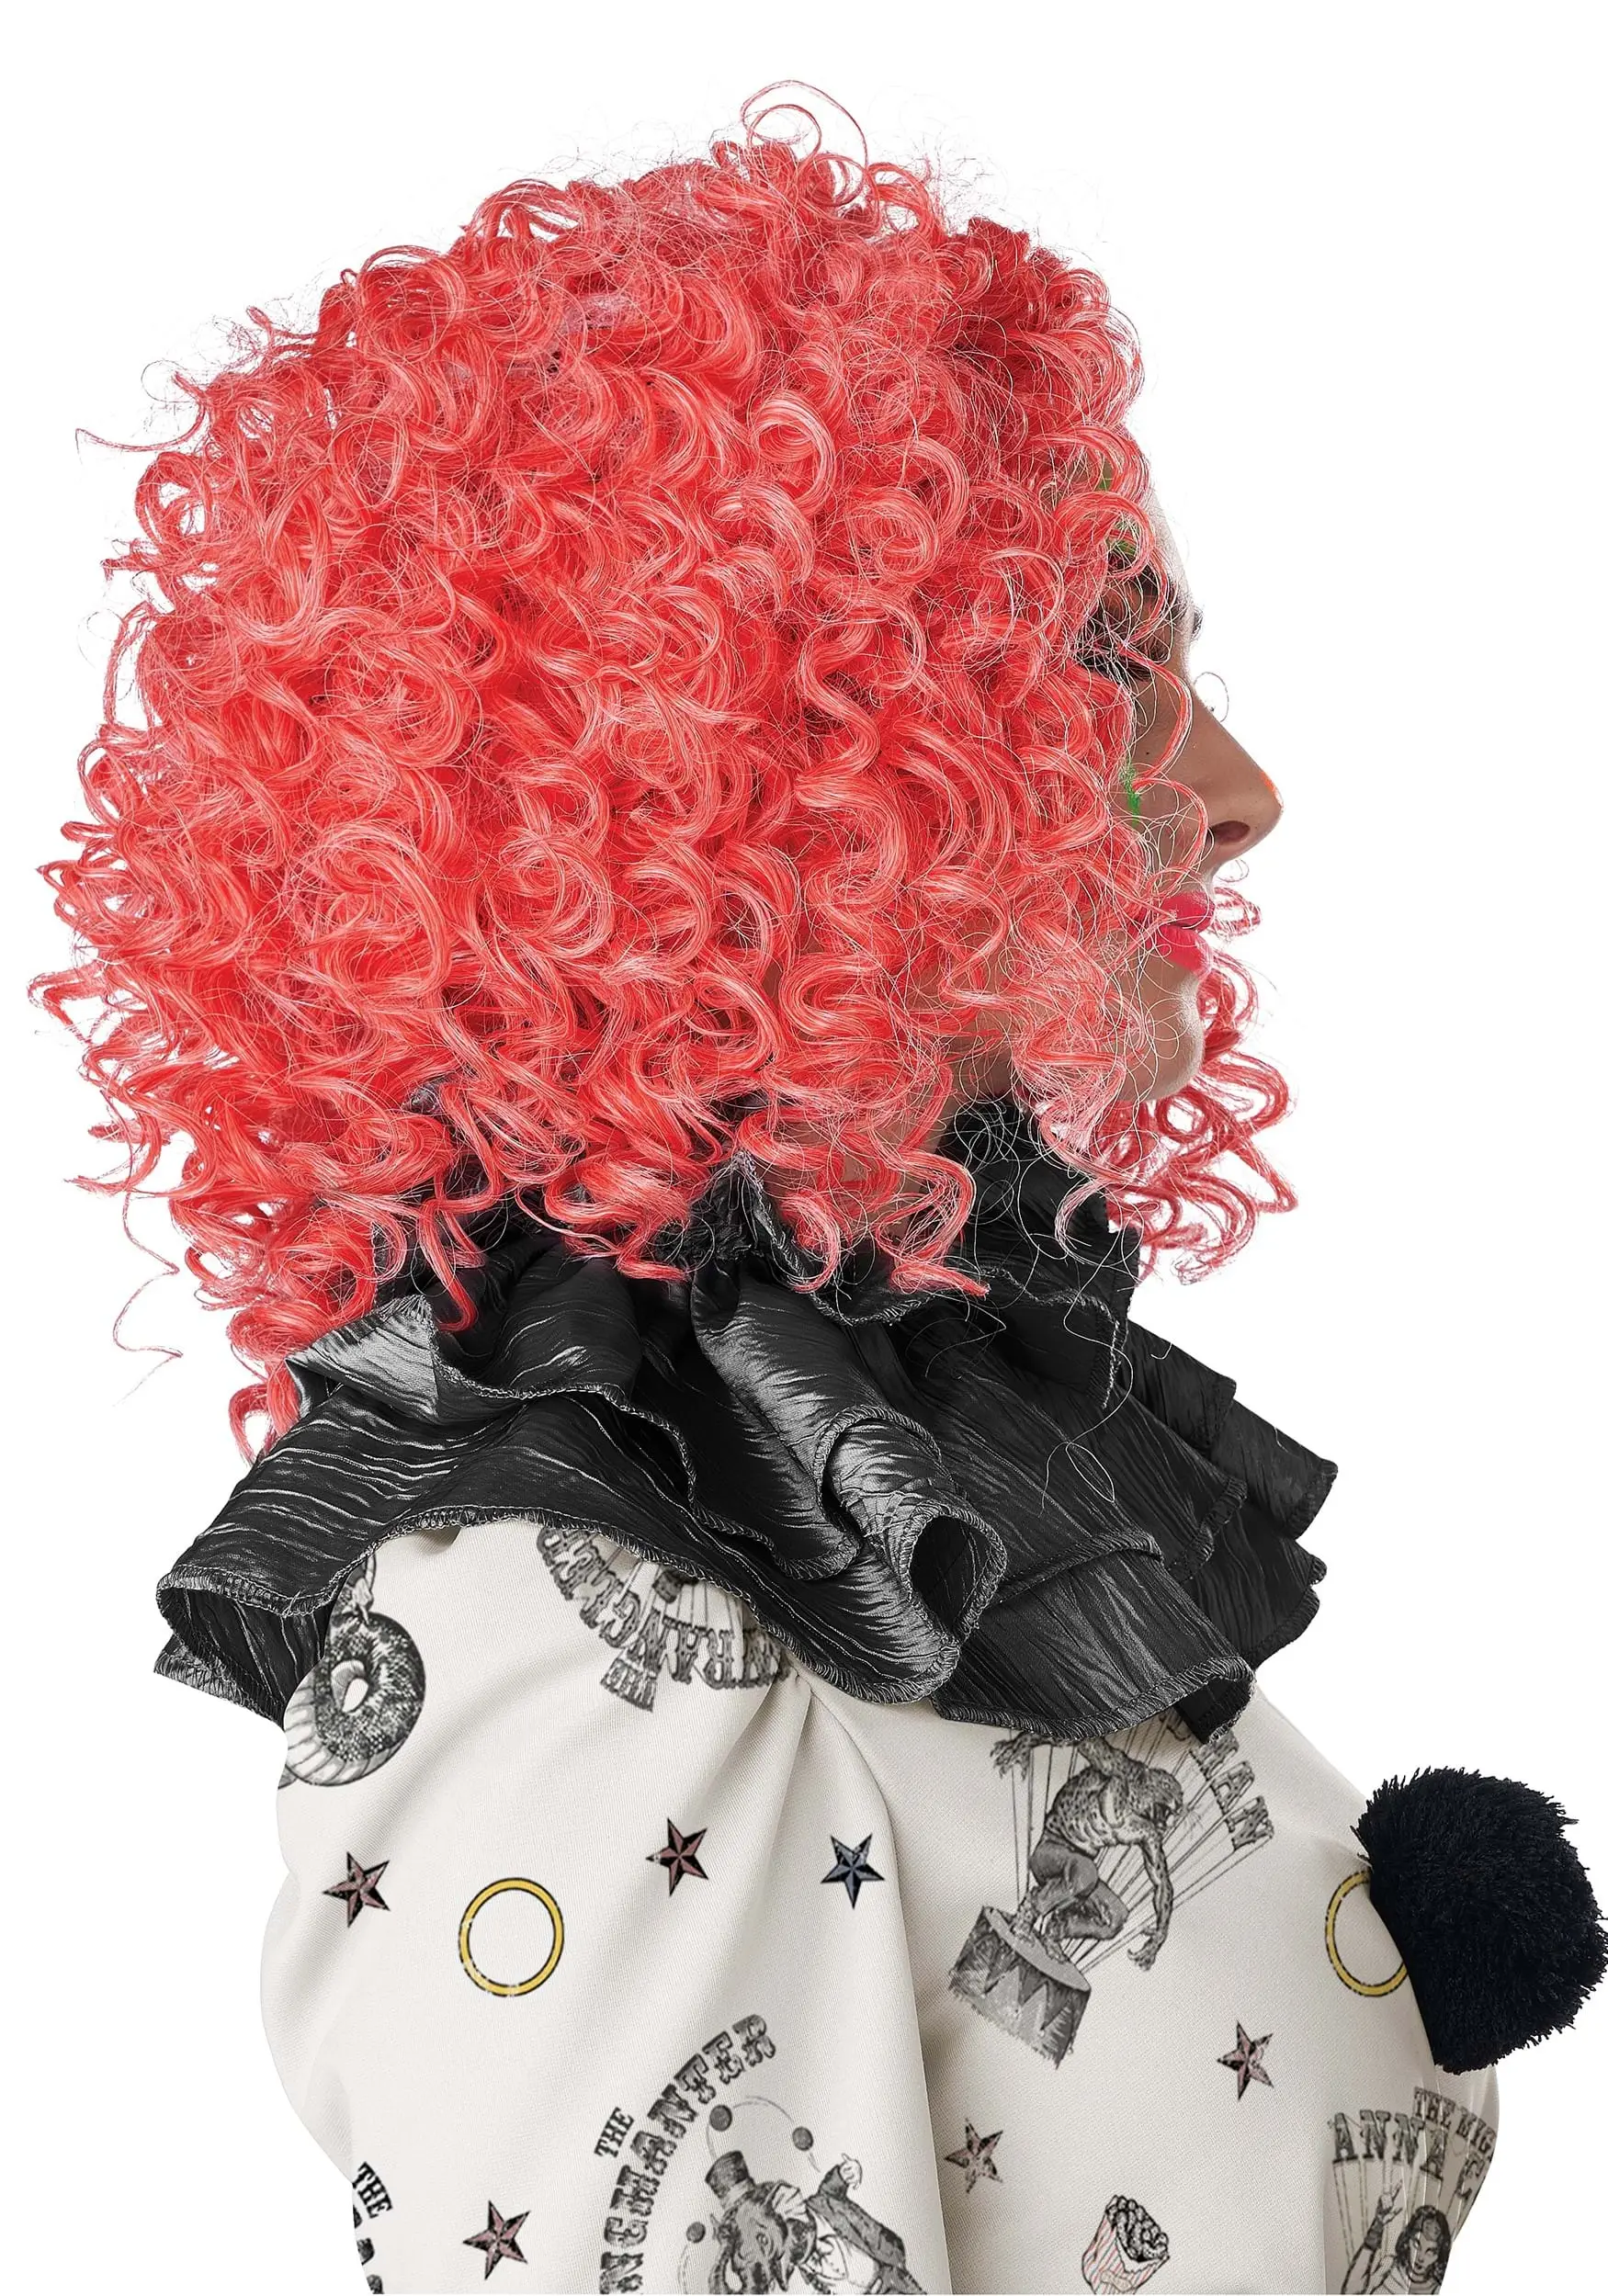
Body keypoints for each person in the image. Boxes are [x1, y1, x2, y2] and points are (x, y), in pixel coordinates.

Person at [34, 89, 1601, 2295]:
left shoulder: (893, 1440)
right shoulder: (585, 1612)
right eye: (1101, 661)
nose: (1234, 792)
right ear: (747, 742)